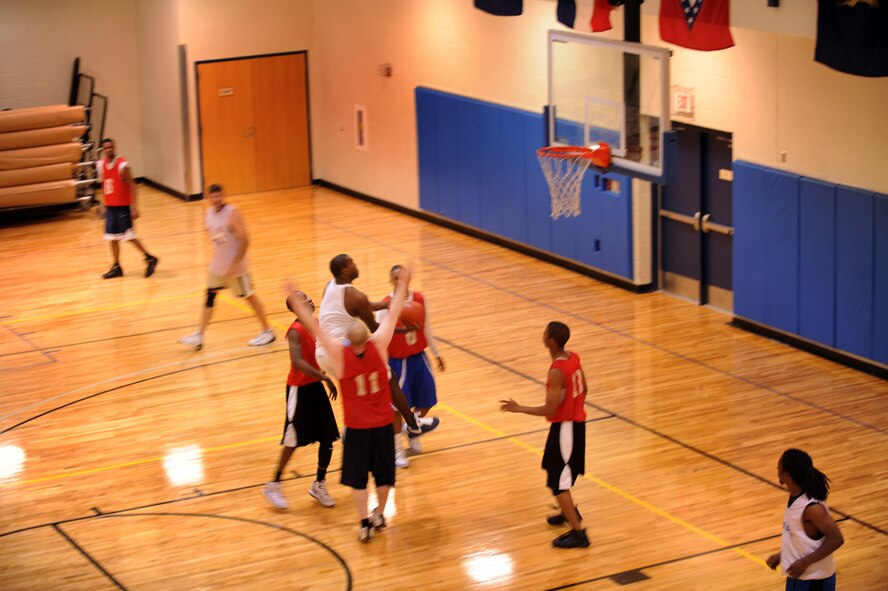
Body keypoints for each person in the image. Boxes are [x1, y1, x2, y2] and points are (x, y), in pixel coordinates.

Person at [286, 267, 412, 542]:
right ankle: (379, 513)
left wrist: (294, 300)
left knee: (358, 480)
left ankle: (364, 522)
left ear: (347, 340)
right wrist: (403, 284)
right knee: (384, 476)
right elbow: (392, 315)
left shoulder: (341, 359)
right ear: (366, 336)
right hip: (381, 426)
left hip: (356, 428)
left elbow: (313, 325)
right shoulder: (378, 348)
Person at [317, 254, 438, 439]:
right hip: (340, 351)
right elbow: (375, 329)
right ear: (344, 270)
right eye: (352, 263)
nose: (356, 265)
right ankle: (413, 425)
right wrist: (403, 330)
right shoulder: (356, 296)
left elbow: (364, 305)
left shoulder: (331, 286)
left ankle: (351, 429)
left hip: (322, 352)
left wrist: (385, 304)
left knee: (357, 389)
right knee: (389, 378)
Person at [500, 321, 590, 549]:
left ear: (551, 341)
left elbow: (549, 409)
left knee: (559, 483)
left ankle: (579, 534)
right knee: (553, 471)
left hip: (567, 429)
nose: (542, 335)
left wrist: (519, 408)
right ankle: (567, 512)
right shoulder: (574, 358)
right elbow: (584, 388)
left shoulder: (557, 370)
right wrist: (569, 401)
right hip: (569, 425)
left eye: (545, 333)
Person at [262, 290, 339, 510]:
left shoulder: (316, 323)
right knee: (292, 439)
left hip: (315, 386)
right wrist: (325, 377)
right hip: (299, 389)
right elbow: (297, 362)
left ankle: (319, 483)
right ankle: (273, 484)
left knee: (328, 437)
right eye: (304, 297)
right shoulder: (295, 331)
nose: (310, 299)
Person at [178, 184, 274, 350]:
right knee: (209, 295)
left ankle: (268, 331)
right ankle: (199, 335)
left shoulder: (232, 214)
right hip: (218, 265)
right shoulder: (208, 214)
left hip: (236, 268)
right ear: (208, 198)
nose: (217, 200)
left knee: (249, 296)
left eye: (220, 196)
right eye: (214, 197)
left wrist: (234, 265)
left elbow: (245, 240)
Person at [376, 264, 445, 467]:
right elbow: (380, 338)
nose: (401, 281)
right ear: (392, 280)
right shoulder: (385, 305)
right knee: (397, 408)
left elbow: (428, 328)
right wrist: (382, 367)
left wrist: (437, 353)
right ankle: (397, 450)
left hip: (418, 358)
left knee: (427, 400)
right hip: (396, 361)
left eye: (403, 277)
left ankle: (411, 431)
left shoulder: (420, 299)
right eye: (397, 278)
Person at [766, 449, 844, 590]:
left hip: (815, 581)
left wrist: (804, 562)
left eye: (778, 467)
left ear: (787, 476)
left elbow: (836, 539)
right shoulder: (795, 498)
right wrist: (782, 555)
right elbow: (801, 540)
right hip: (800, 576)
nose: (776, 469)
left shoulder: (812, 508)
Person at [96, 138, 158, 279]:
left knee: (129, 237)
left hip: (122, 207)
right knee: (112, 237)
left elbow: (133, 185)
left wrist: (134, 206)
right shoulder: (101, 165)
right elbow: (104, 186)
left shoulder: (122, 165)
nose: (109, 149)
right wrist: (104, 205)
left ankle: (149, 258)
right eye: (106, 148)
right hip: (111, 208)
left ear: (114, 147)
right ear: (103, 150)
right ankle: (117, 266)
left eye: (111, 147)